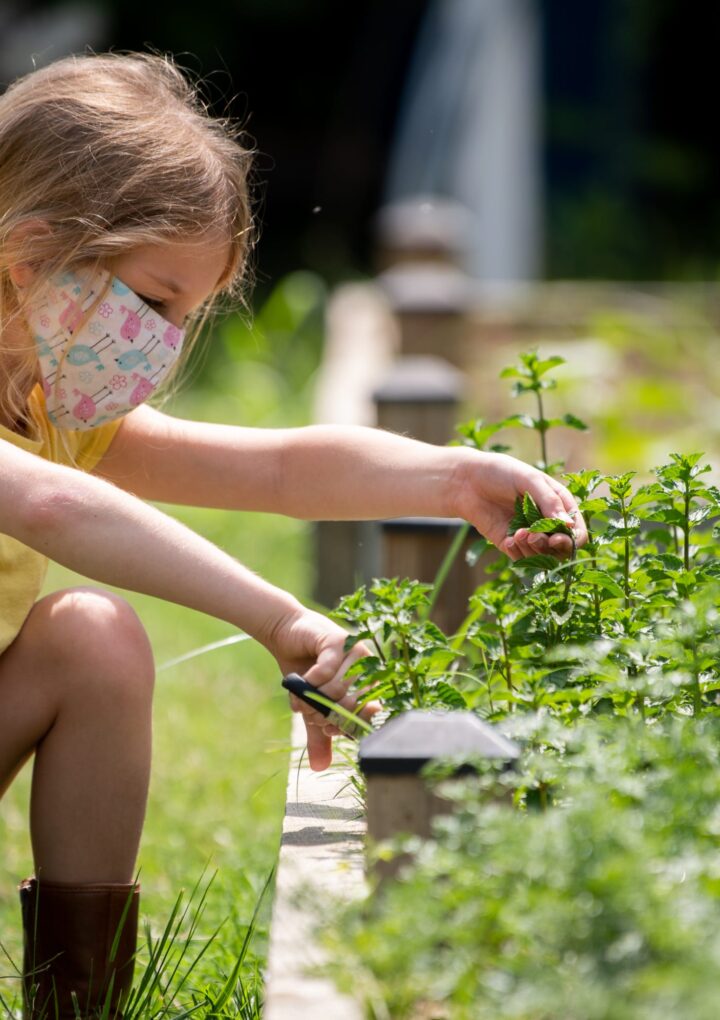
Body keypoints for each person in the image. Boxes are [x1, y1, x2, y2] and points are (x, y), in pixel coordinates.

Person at [0, 51, 586, 1019]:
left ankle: (76, 1006)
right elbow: (54, 508)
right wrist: (280, 618)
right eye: (151, 301)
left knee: (92, 637)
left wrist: (452, 477)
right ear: (28, 254)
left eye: (185, 316)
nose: (164, 343)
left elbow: (275, 468)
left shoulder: (48, 403)